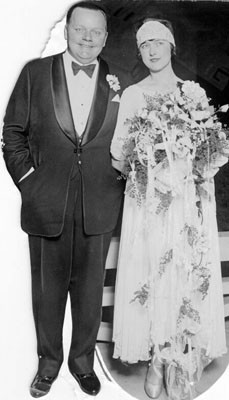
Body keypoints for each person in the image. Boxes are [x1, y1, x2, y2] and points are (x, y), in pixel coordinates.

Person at [2, 1, 128, 397]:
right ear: (67, 29)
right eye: (81, 29)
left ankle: (83, 364)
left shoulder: (119, 81)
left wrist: (121, 178)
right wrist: (30, 183)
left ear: (106, 38)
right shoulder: (35, 73)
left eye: (96, 32)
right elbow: (12, 134)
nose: (88, 38)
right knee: (48, 292)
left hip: (99, 203)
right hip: (46, 202)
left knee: (90, 293)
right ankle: (48, 365)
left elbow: (132, 142)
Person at [111, 19, 228, 400]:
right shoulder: (131, 95)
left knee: (185, 274)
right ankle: (157, 358)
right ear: (140, 51)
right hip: (150, 205)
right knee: (152, 273)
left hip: (187, 204)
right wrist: (146, 159)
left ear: (172, 47)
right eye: (146, 45)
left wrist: (196, 167)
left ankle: (179, 357)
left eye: (160, 43)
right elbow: (118, 152)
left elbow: (213, 149)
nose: (153, 50)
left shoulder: (192, 93)